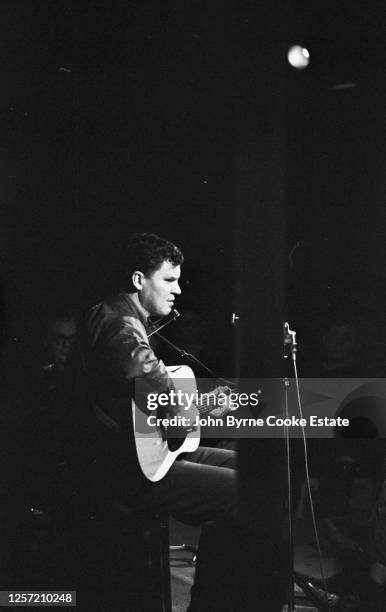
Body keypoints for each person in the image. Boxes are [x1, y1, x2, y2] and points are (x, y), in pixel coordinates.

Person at [83, 233, 287, 611]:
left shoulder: (123, 318)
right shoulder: (119, 323)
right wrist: (183, 406)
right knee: (240, 495)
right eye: (169, 279)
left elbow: (150, 411)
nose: (178, 290)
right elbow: (138, 371)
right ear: (138, 280)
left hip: (141, 458)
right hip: (124, 472)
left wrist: (198, 408)